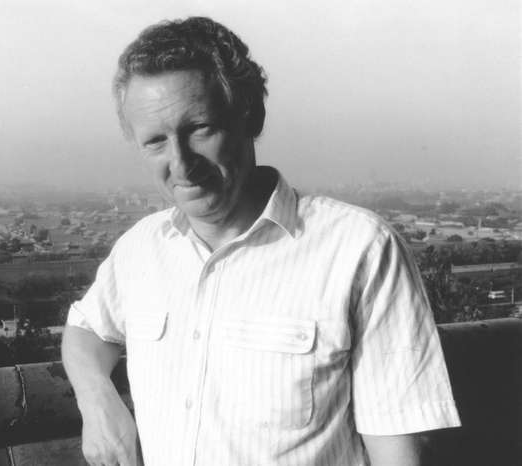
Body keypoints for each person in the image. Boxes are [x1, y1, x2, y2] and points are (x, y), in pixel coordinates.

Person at [61, 16, 460, 466]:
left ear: (252, 116)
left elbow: (402, 453)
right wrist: (97, 402)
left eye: (200, 129)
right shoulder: (140, 248)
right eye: (155, 141)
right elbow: (87, 328)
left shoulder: (359, 249)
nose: (182, 164)